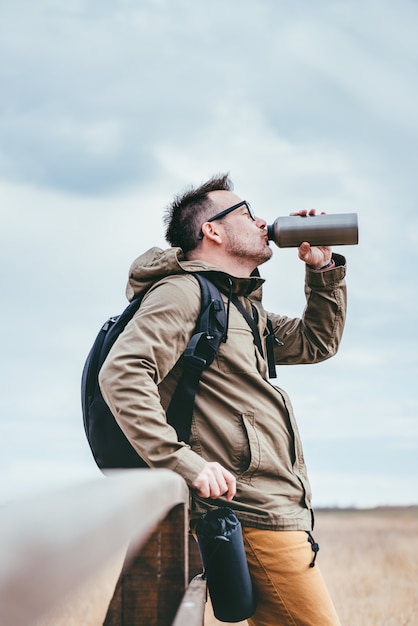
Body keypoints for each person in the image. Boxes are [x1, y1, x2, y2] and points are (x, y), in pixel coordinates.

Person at [99, 173, 346, 626]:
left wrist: (322, 271)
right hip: (247, 507)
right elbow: (122, 371)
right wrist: (183, 462)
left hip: (275, 506)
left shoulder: (240, 307)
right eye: (247, 213)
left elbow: (316, 342)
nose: (263, 222)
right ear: (211, 230)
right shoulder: (183, 292)